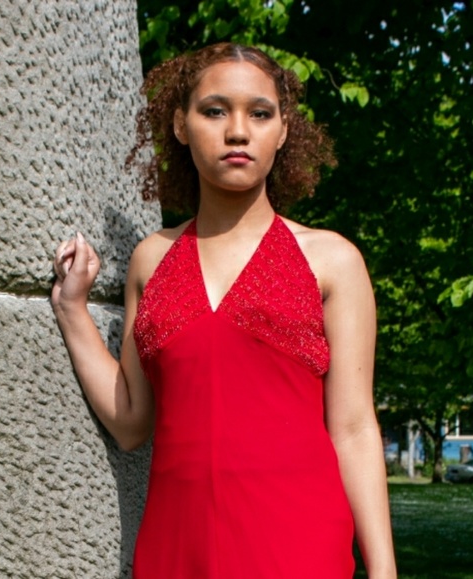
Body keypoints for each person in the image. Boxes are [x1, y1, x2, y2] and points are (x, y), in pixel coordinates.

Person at [52, 43, 396, 579]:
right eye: (214, 111)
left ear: (283, 130)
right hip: (175, 550)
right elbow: (131, 422)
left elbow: (353, 429)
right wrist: (73, 308)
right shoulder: (151, 260)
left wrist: (384, 571)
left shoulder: (332, 260)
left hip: (299, 547)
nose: (238, 131)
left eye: (260, 113)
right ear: (180, 125)